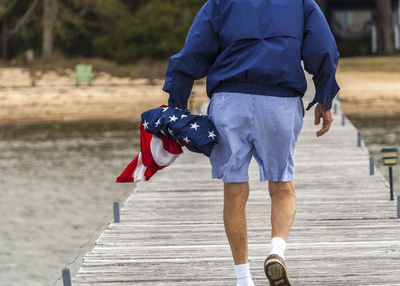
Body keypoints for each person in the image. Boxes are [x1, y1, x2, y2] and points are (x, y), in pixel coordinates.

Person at [162, 0, 340, 285]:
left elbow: (192, 53)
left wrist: (177, 104)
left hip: (229, 101)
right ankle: (277, 250)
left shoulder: (220, 2)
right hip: (280, 101)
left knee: (234, 192)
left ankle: (243, 279)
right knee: (282, 186)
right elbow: (324, 48)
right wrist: (325, 96)